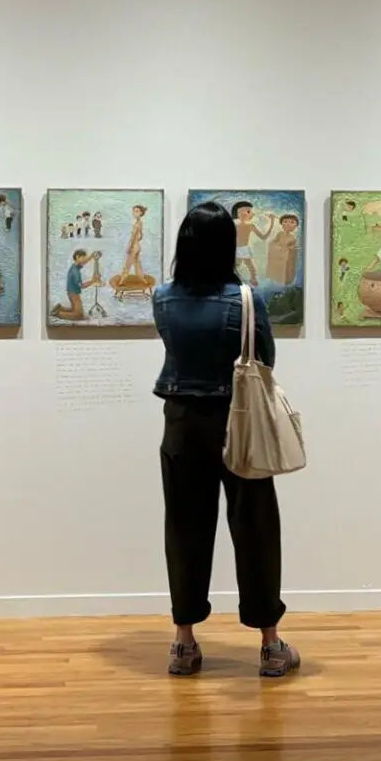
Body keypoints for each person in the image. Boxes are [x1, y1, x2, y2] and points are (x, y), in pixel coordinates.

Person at [152, 202, 299, 679]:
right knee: (255, 529)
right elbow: (266, 359)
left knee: (186, 529)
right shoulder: (246, 298)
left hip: (182, 423)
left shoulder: (162, 298)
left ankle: (184, 642)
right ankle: (270, 644)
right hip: (240, 424)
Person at [232, 201, 275, 286]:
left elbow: (263, 237)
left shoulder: (251, 226)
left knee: (251, 268)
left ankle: (252, 280)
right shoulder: (234, 224)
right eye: (248, 211)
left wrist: (272, 223)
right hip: (235, 249)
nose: (252, 214)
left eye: (251, 211)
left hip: (244, 249)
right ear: (238, 213)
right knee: (237, 265)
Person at [51, 249, 101, 320]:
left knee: (74, 309)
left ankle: (60, 308)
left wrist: (91, 256)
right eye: (83, 257)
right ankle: (57, 313)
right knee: (79, 315)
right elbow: (82, 286)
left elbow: (83, 262)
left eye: (84, 258)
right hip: (74, 294)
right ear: (77, 257)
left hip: (72, 292)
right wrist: (93, 281)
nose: (84, 260)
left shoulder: (75, 266)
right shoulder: (75, 272)